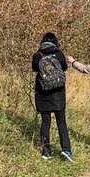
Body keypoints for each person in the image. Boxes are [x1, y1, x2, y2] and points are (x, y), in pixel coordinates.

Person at [31, 32, 72, 162]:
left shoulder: (37, 55)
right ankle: (66, 150)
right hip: (58, 94)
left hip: (42, 93)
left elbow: (34, 68)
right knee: (61, 122)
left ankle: (46, 151)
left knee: (45, 122)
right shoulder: (59, 54)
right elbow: (64, 68)